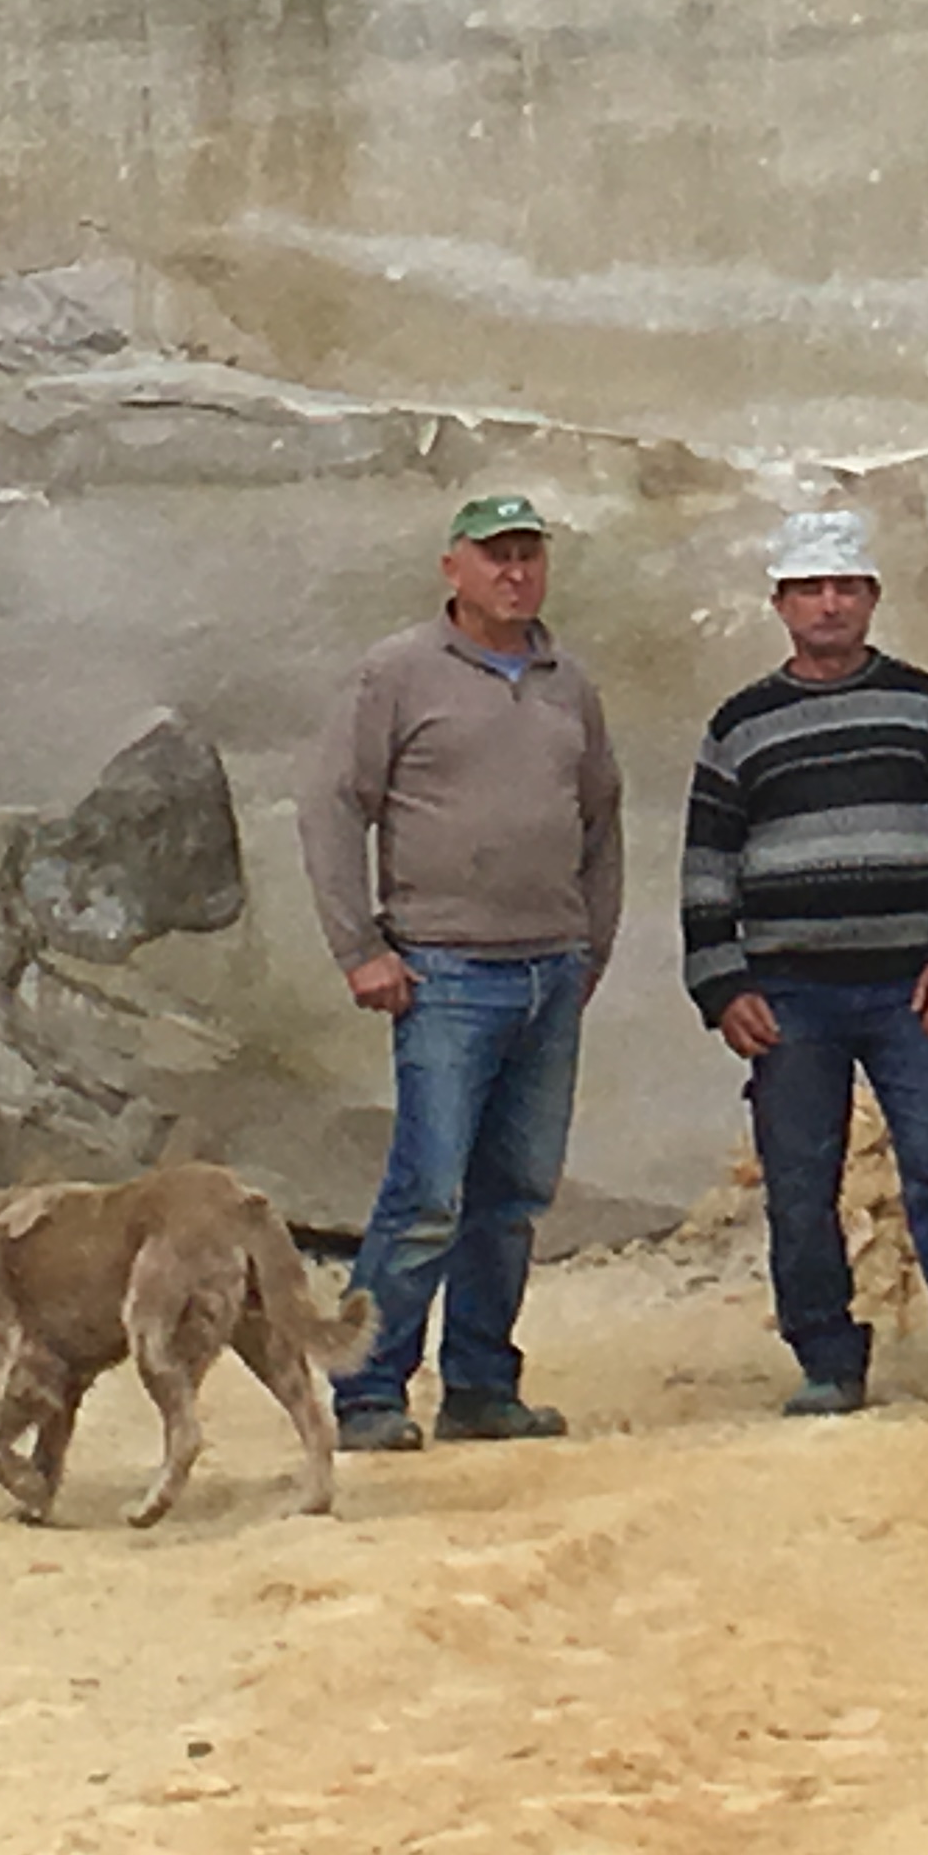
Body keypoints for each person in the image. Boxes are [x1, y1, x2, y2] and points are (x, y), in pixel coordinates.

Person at [682, 509, 928, 1419]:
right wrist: (724, 985)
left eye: (845, 587)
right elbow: (705, 867)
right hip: (789, 997)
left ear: (872, 598)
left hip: (908, 989)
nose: (829, 604)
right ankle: (827, 1362)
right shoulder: (741, 725)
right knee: (801, 1181)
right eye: (810, 588)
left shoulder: (924, 707)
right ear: (780, 603)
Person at [299, 489, 623, 1453]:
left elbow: (602, 823)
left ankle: (482, 1384)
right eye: (495, 555)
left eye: (529, 554)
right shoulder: (398, 672)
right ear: (454, 568)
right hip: (443, 971)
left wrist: (589, 947)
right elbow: (328, 807)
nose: (515, 572)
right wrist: (359, 947)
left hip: (549, 971)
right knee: (428, 1191)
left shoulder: (570, 682)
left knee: (515, 1193)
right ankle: (367, 1394)